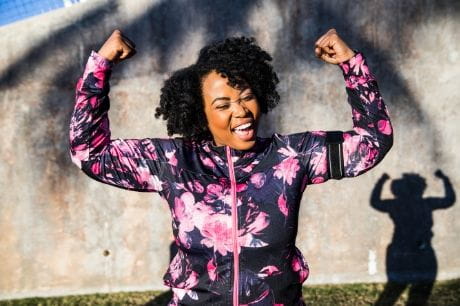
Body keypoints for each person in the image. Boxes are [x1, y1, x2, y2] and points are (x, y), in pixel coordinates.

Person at [69, 28, 393, 306]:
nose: (241, 111)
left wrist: (352, 65)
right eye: (222, 105)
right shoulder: (174, 161)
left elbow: (373, 141)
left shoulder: (292, 156)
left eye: (247, 97)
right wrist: (101, 66)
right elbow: (89, 152)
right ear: (201, 113)